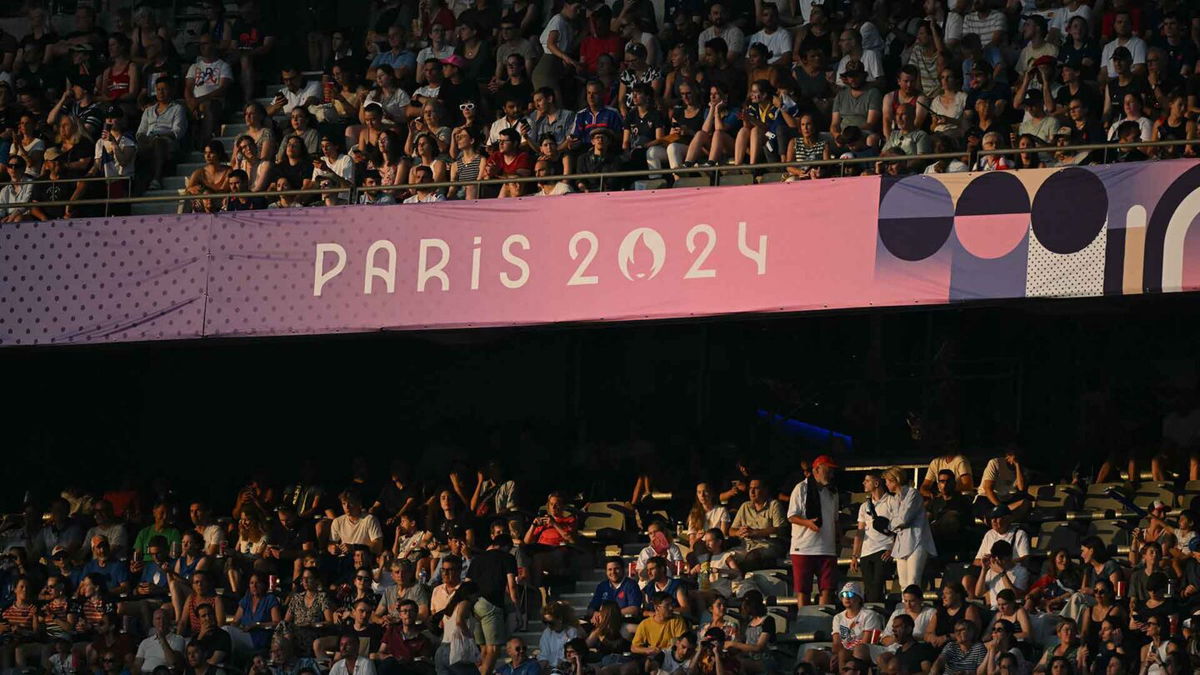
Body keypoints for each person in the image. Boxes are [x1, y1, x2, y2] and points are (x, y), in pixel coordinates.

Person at [787, 456, 838, 604]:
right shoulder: (801, 488)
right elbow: (791, 516)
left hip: (827, 548)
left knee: (827, 588)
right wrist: (807, 523)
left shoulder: (832, 492)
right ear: (816, 470)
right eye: (828, 470)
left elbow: (835, 519)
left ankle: (822, 620)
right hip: (804, 547)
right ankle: (804, 620)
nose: (831, 475)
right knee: (803, 589)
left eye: (832, 471)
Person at [851, 471, 894, 604]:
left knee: (877, 587)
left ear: (876, 483)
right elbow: (860, 531)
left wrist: (893, 548)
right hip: (866, 552)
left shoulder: (891, 501)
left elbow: (899, 529)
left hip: (883, 549)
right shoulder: (864, 506)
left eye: (867, 480)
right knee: (869, 589)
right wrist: (855, 555)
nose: (864, 483)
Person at [831, 60, 882, 140]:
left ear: (863, 76)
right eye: (850, 76)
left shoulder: (873, 93)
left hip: (862, 134)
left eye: (856, 76)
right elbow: (834, 124)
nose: (853, 79)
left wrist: (850, 135)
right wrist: (837, 136)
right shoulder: (841, 95)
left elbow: (871, 123)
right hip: (842, 135)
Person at [631, 593, 687, 658]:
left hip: (673, 655)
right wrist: (647, 650)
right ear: (657, 608)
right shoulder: (645, 624)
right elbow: (634, 647)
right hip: (655, 656)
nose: (671, 608)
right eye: (667, 605)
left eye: (672, 604)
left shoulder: (677, 620)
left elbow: (683, 642)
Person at [0, 155, 32, 222]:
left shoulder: (30, 182)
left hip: (28, 217)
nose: (13, 169)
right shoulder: (4, 190)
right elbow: (1, 211)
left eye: (17, 166)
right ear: (7, 169)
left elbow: (25, 204)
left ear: (23, 169)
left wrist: (11, 218)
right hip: (9, 218)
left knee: (18, 219)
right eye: (10, 166)